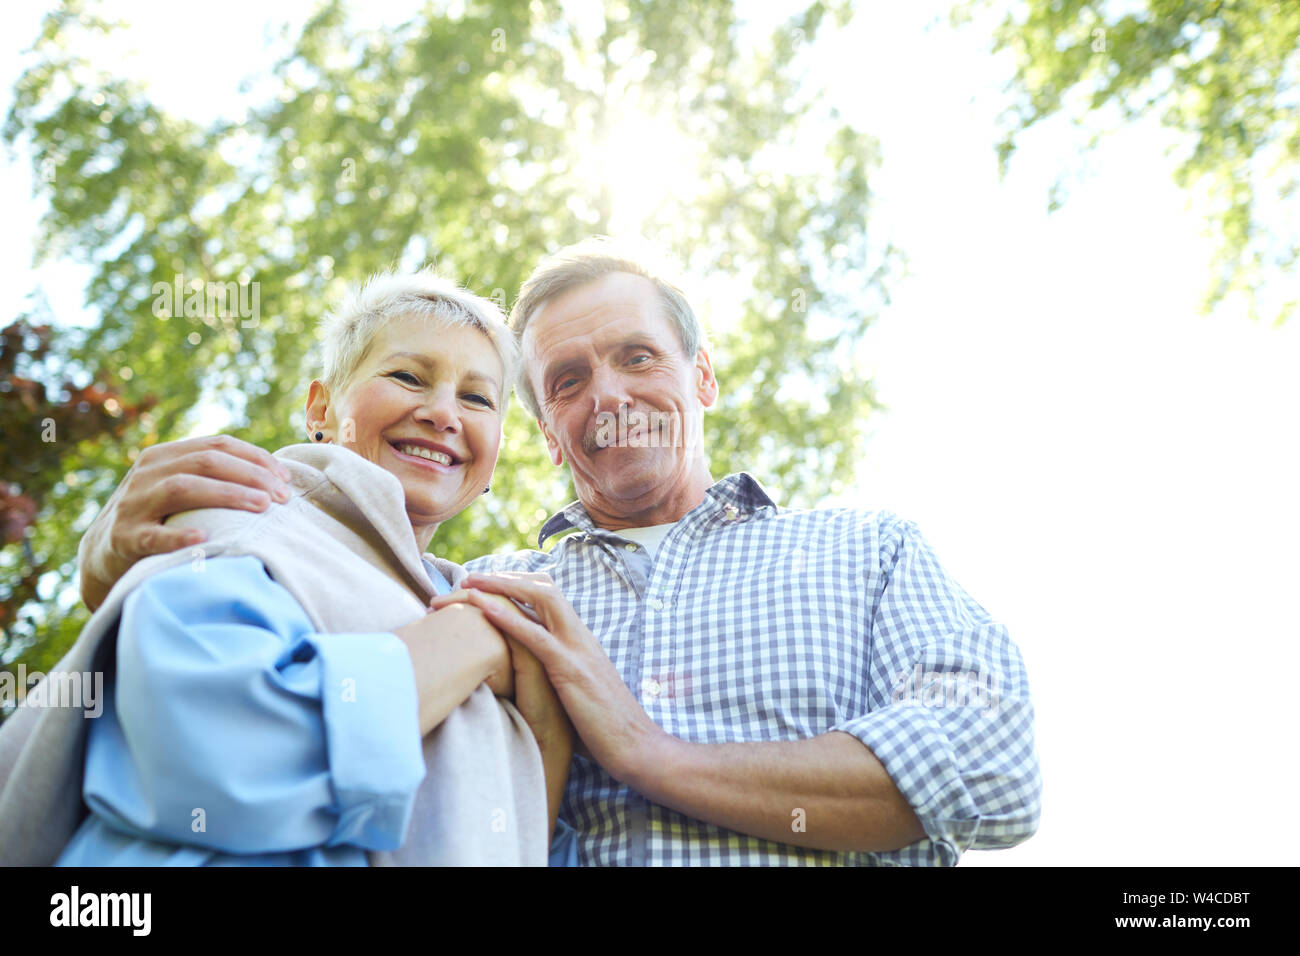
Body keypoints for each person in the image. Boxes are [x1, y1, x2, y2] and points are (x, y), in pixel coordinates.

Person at [59, 239, 1042, 865]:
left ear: (701, 375)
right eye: (565, 379)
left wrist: (650, 752)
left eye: (638, 356)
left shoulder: (863, 552)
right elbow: (303, 649)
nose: (605, 394)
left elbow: (993, 769)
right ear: (538, 428)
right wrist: (109, 563)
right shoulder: (472, 593)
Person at [0, 271, 574, 866]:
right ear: (321, 409)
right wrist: (468, 640)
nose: (442, 412)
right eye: (407, 376)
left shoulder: (487, 601)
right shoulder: (251, 513)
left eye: (477, 398)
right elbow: (223, 759)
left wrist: (548, 734)